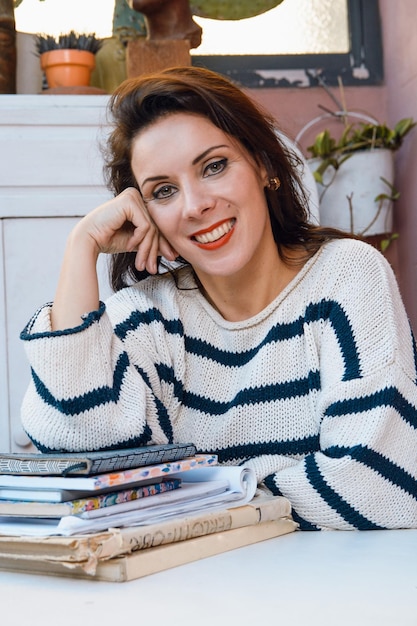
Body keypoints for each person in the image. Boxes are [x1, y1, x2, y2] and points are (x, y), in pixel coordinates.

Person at [20, 66, 417, 531]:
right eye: (163, 191)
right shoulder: (149, 317)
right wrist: (81, 245)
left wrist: (195, 505)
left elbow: (381, 484)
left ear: (264, 166)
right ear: (147, 216)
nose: (194, 205)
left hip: (335, 589)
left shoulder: (345, 277)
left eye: (214, 166)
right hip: (188, 591)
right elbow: (76, 454)